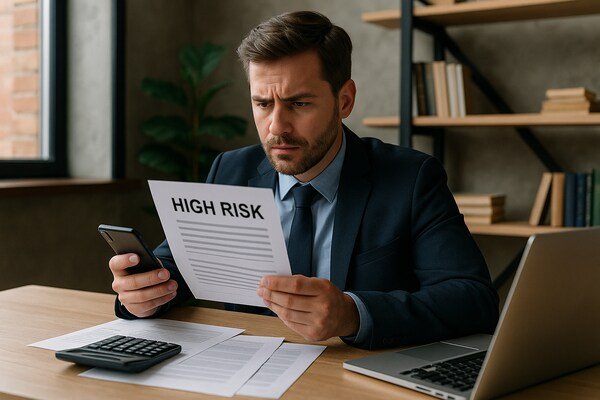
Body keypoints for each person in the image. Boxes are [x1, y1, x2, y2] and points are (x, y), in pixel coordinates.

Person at [109, 11, 499, 350]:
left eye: (299, 104)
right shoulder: (230, 170)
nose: (277, 127)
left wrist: (352, 315)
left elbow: (473, 300)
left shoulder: (411, 179)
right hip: (244, 371)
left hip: (352, 377)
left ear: (344, 101)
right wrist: (142, 292)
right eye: (262, 104)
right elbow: (176, 266)